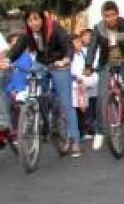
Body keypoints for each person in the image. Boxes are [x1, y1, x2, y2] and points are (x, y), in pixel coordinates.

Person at [6, 9, 81, 157]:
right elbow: (17, 48)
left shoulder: (55, 29)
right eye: (30, 20)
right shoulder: (27, 34)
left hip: (59, 64)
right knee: (34, 89)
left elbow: (68, 46)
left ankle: (75, 139)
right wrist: (7, 60)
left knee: (66, 102)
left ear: (43, 19)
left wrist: (65, 59)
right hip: (41, 64)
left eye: (37, 19)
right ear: (27, 22)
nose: (34, 23)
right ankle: (37, 114)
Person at [84, 1, 124, 151]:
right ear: (103, 17)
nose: (110, 18)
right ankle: (99, 132)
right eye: (106, 16)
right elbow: (92, 48)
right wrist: (88, 66)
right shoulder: (98, 28)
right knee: (101, 97)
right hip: (107, 63)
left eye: (112, 15)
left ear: (117, 14)